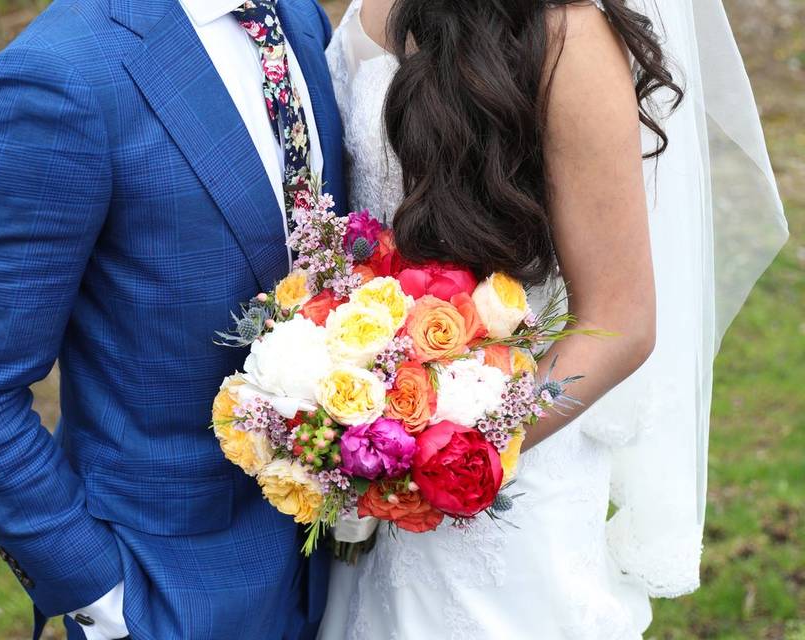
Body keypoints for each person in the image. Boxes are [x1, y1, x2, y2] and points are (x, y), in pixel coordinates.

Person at [318, 0, 788, 638]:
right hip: (362, 467)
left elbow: (620, 321)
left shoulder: (568, 33)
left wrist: (446, 454)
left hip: (505, 489)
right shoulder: (367, 8)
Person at [0, 0, 345, 638]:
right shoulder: (60, 75)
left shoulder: (298, 19)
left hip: (335, 562)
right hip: (169, 581)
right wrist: (103, 597)